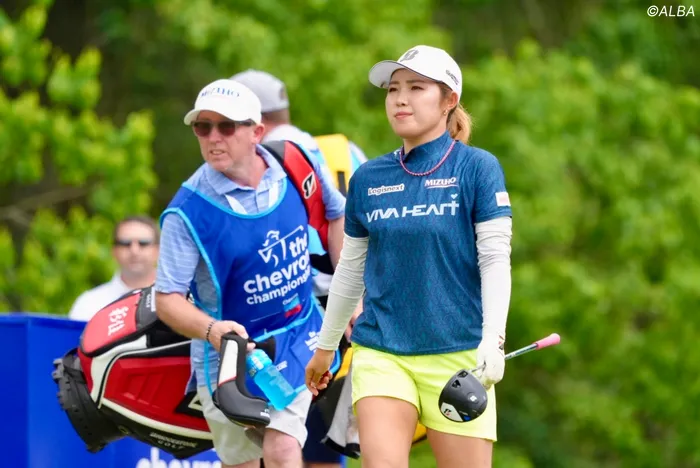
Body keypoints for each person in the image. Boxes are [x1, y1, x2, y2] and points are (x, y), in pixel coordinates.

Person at [305, 45, 514, 468]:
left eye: (416, 88)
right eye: (393, 89)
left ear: (449, 100)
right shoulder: (368, 178)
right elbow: (351, 271)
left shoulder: (478, 168)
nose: (400, 99)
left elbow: (495, 260)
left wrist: (493, 338)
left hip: (458, 356)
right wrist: (326, 347)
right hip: (381, 352)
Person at [154, 78, 346, 468]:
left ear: (257, 132)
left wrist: (350, 297)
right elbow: (167, 300)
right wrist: (212, 330)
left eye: (226, 126)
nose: (213, 137)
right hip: (230, 357)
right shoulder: (186, 211)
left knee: (282, 446)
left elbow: (336, 213)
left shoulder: (296, 161)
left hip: (299, 334)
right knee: (241, 462)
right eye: (202, 127)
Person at [231, 69, 365, 468]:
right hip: (351, 313)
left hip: (292, 321)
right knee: (323, 450)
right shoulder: (344, 151)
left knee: (271, 442)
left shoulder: (264, 156)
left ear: (253, 120)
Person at [68, 215, 159, 321]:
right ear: (114, 251)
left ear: (158, 249)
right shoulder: (89, 304)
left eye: (143, 243)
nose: (134, 250)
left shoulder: (174, 300)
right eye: (125, 244)